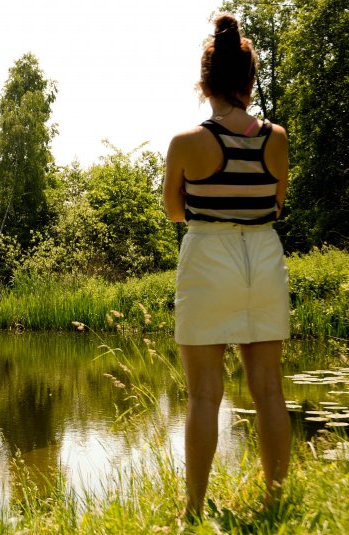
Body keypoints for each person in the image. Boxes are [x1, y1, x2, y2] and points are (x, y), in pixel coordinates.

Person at [163, 13, 291, 520]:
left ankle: (194, 511)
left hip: (208, 257)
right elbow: (276, 205)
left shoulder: (186, 143)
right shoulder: (275, 138)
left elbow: (175, 211)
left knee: (203, 396)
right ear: (249, 81)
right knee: (269, 390)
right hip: (263, 256)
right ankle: (274, 502)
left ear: (204, 83)